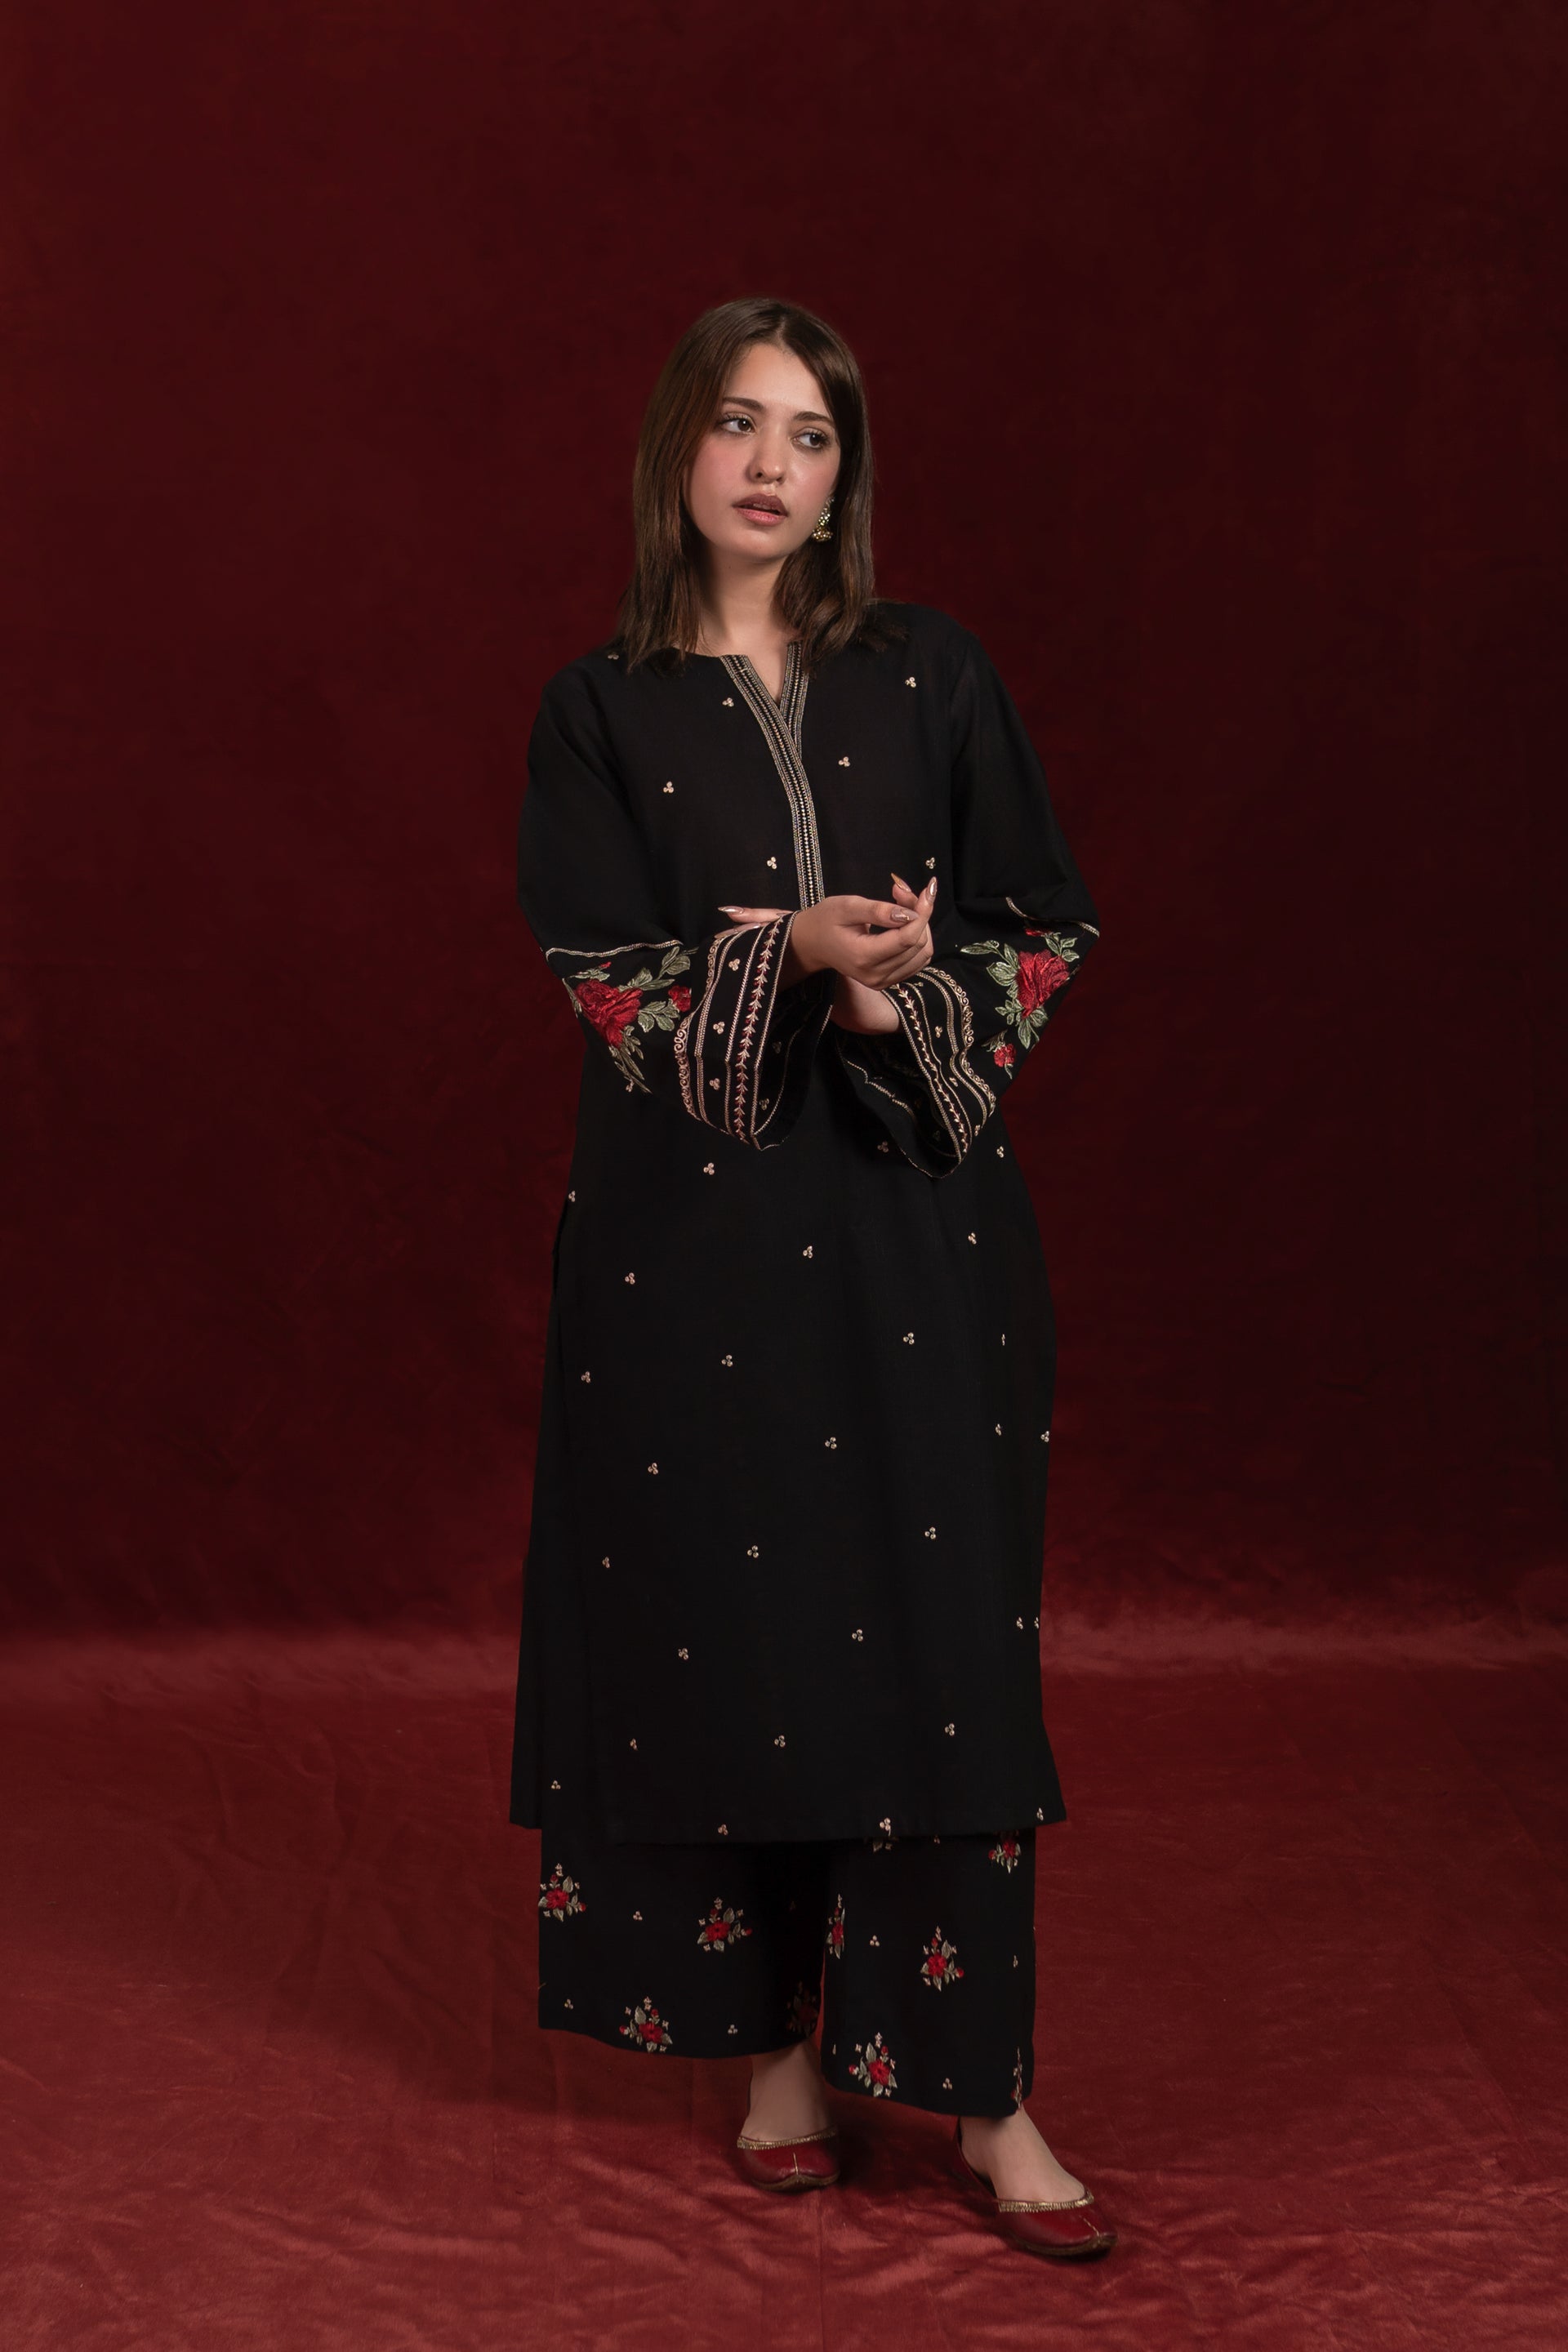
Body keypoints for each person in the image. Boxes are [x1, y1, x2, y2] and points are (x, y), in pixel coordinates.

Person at [510, 295, 1115, 2260]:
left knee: (939, 1635)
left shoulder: (931, 674)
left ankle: (986, 2093)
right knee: (730, 1627)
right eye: (739, 424)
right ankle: (775, 2057)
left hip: (914, 1240)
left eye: (814, 434)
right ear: (675, 450)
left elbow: (1039, 923)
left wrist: (896, 1000)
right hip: (687, 1261)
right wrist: (790, 961)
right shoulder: (599, 710)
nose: (773, 466)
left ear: (846, 476)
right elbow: (610, 977)